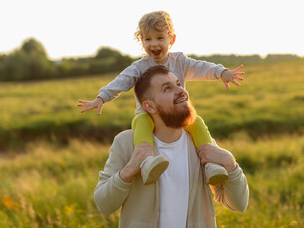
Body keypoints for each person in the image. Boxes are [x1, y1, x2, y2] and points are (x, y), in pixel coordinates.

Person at [79, 11, 244, 186]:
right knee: (142, 123)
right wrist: (101, 98)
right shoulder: (139, 67)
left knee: (197, 122)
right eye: (147, 39)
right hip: (148, 115)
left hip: (176, 114)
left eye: (159, 38)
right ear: (141, 41)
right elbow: (121, 81)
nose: (154, 44)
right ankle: (147, 161)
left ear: (171, 40)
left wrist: (221, 72)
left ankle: (210, 164)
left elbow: (200, 67)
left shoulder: (179, 61)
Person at [94, 65, 249, 228]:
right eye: (167, 89)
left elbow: (239, 204)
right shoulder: (126, 143)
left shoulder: (201, 144)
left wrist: (231, 165)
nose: (181, 91)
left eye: (179, 84)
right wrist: (129, 170)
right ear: (149, 106)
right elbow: (103, 204)